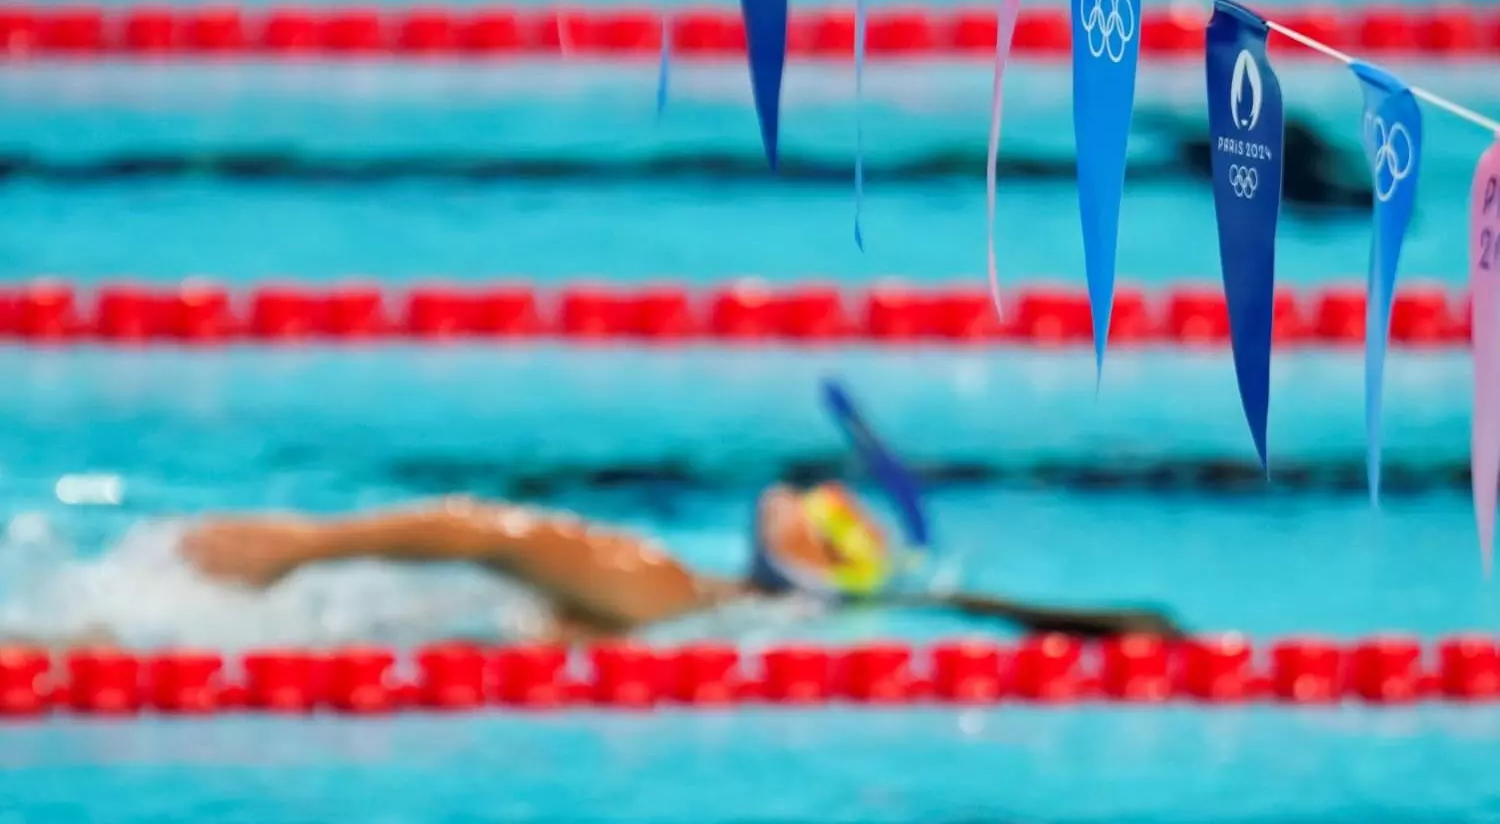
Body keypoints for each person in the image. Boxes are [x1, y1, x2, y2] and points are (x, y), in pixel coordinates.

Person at [180, 481, 1185, 644]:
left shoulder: (653, 583)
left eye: (832, 522)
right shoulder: (708, 613)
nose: (821, 498)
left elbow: (484, 530)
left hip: (270, 620)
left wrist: (302, 545)